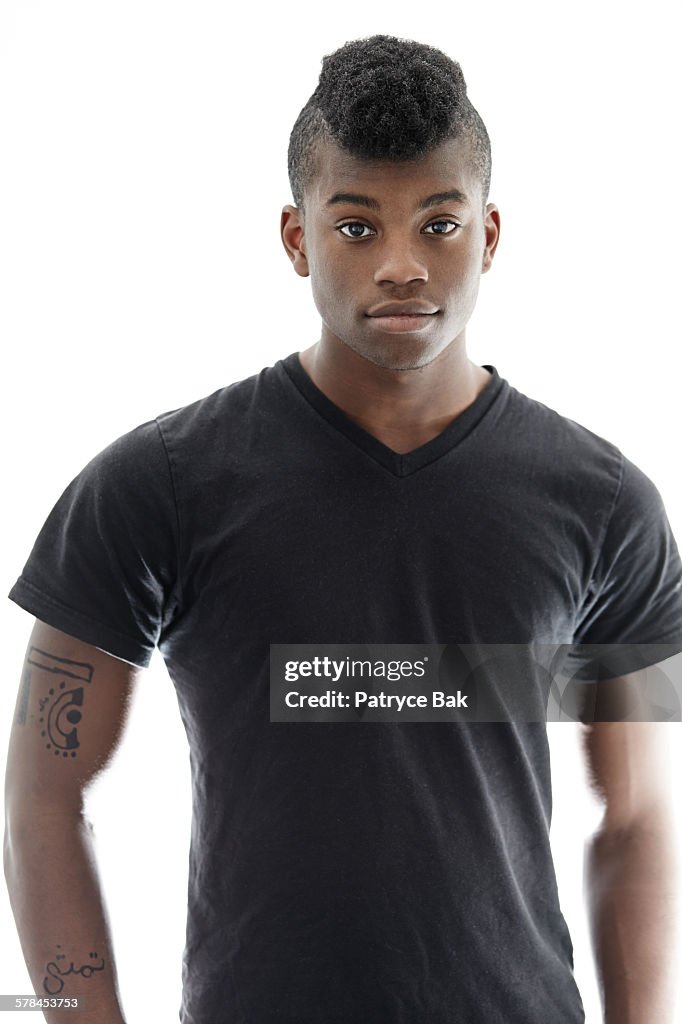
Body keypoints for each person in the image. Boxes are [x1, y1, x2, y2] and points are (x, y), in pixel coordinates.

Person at [4, 33, 682, 1024]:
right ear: (296, 238)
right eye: (357, 226)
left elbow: (638, 813)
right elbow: (37, 798)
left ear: (490, 234)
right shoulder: (159, 483)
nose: (403, 265)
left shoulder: (605, 500)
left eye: (439, 223)